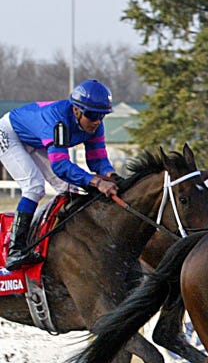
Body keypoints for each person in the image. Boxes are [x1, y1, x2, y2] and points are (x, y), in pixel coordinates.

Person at [1, 79, 120, 270]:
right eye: (92, 115)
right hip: (9, 133)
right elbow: (60, 166)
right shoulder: (58, 121)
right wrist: (97, 182)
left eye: (102, 115)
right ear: (76, 110)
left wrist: (111, 176)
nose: (97, 121)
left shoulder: (96, 125)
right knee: (34, 187)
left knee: (68, 187)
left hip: (36, 139)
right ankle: (15, 249)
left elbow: (97, 159)